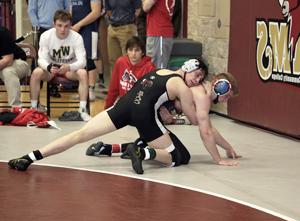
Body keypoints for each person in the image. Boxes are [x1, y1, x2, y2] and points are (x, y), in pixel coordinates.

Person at [8, 58, 240, 174]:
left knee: (80, 135)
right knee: (177, 156)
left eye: (201, 78)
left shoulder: (159, 70)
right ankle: (141, 151)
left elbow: (149, 91)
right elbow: (203, 126)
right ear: (188, 67)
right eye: (197, 75)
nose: (197, 80)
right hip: (144, 115)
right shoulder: (182, 87)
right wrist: (218, 159)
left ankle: (30, 157)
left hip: (124, 106)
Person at [29, 10, 91, 121]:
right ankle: (33, 109)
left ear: (71, 25)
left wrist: (69, 67)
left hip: (69, 70)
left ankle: (82, 111)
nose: (63, 29)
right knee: (36, 73)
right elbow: (41, 59)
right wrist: (48, 67)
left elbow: (83, 61)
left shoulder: (77, 37)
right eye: (59, 25)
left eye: (66, 26)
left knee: (83, 73)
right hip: (51, 70)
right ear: (54, 24)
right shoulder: (45, 36)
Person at [105, 36, 155, 109]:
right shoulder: (121, 62)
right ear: (127, 51)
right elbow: (113, 90)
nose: (133, 53)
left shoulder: (150, 67)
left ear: (143, 52)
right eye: (130, 50)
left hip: (140, 108)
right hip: (123, 106)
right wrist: (106, 110)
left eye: (137, 50)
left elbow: (152, 95)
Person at [70, 0, 101, 101]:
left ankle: (91, 89)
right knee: (78, 59)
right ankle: (83, 89)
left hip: (89, 28)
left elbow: (96, 12)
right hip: (74, 28)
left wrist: (79, 24)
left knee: (90, 57)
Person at [105, 0, 141, 80]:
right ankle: (116, 87)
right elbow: (108, 11)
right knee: (113, 60)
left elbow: (138, 10)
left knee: (129, 60)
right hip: (112, 27)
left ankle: (129, 87)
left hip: (127, 27)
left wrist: (128, 20)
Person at [0, 26, 30, 109]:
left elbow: (8, 60)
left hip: (16, 62)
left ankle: (16, 108)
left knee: (8, 71)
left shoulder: (3, 33)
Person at [142, 0, 175, 68]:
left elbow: (146, 7)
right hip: (157, 32)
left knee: (158, 68)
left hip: (159, 32)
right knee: (151, 66)